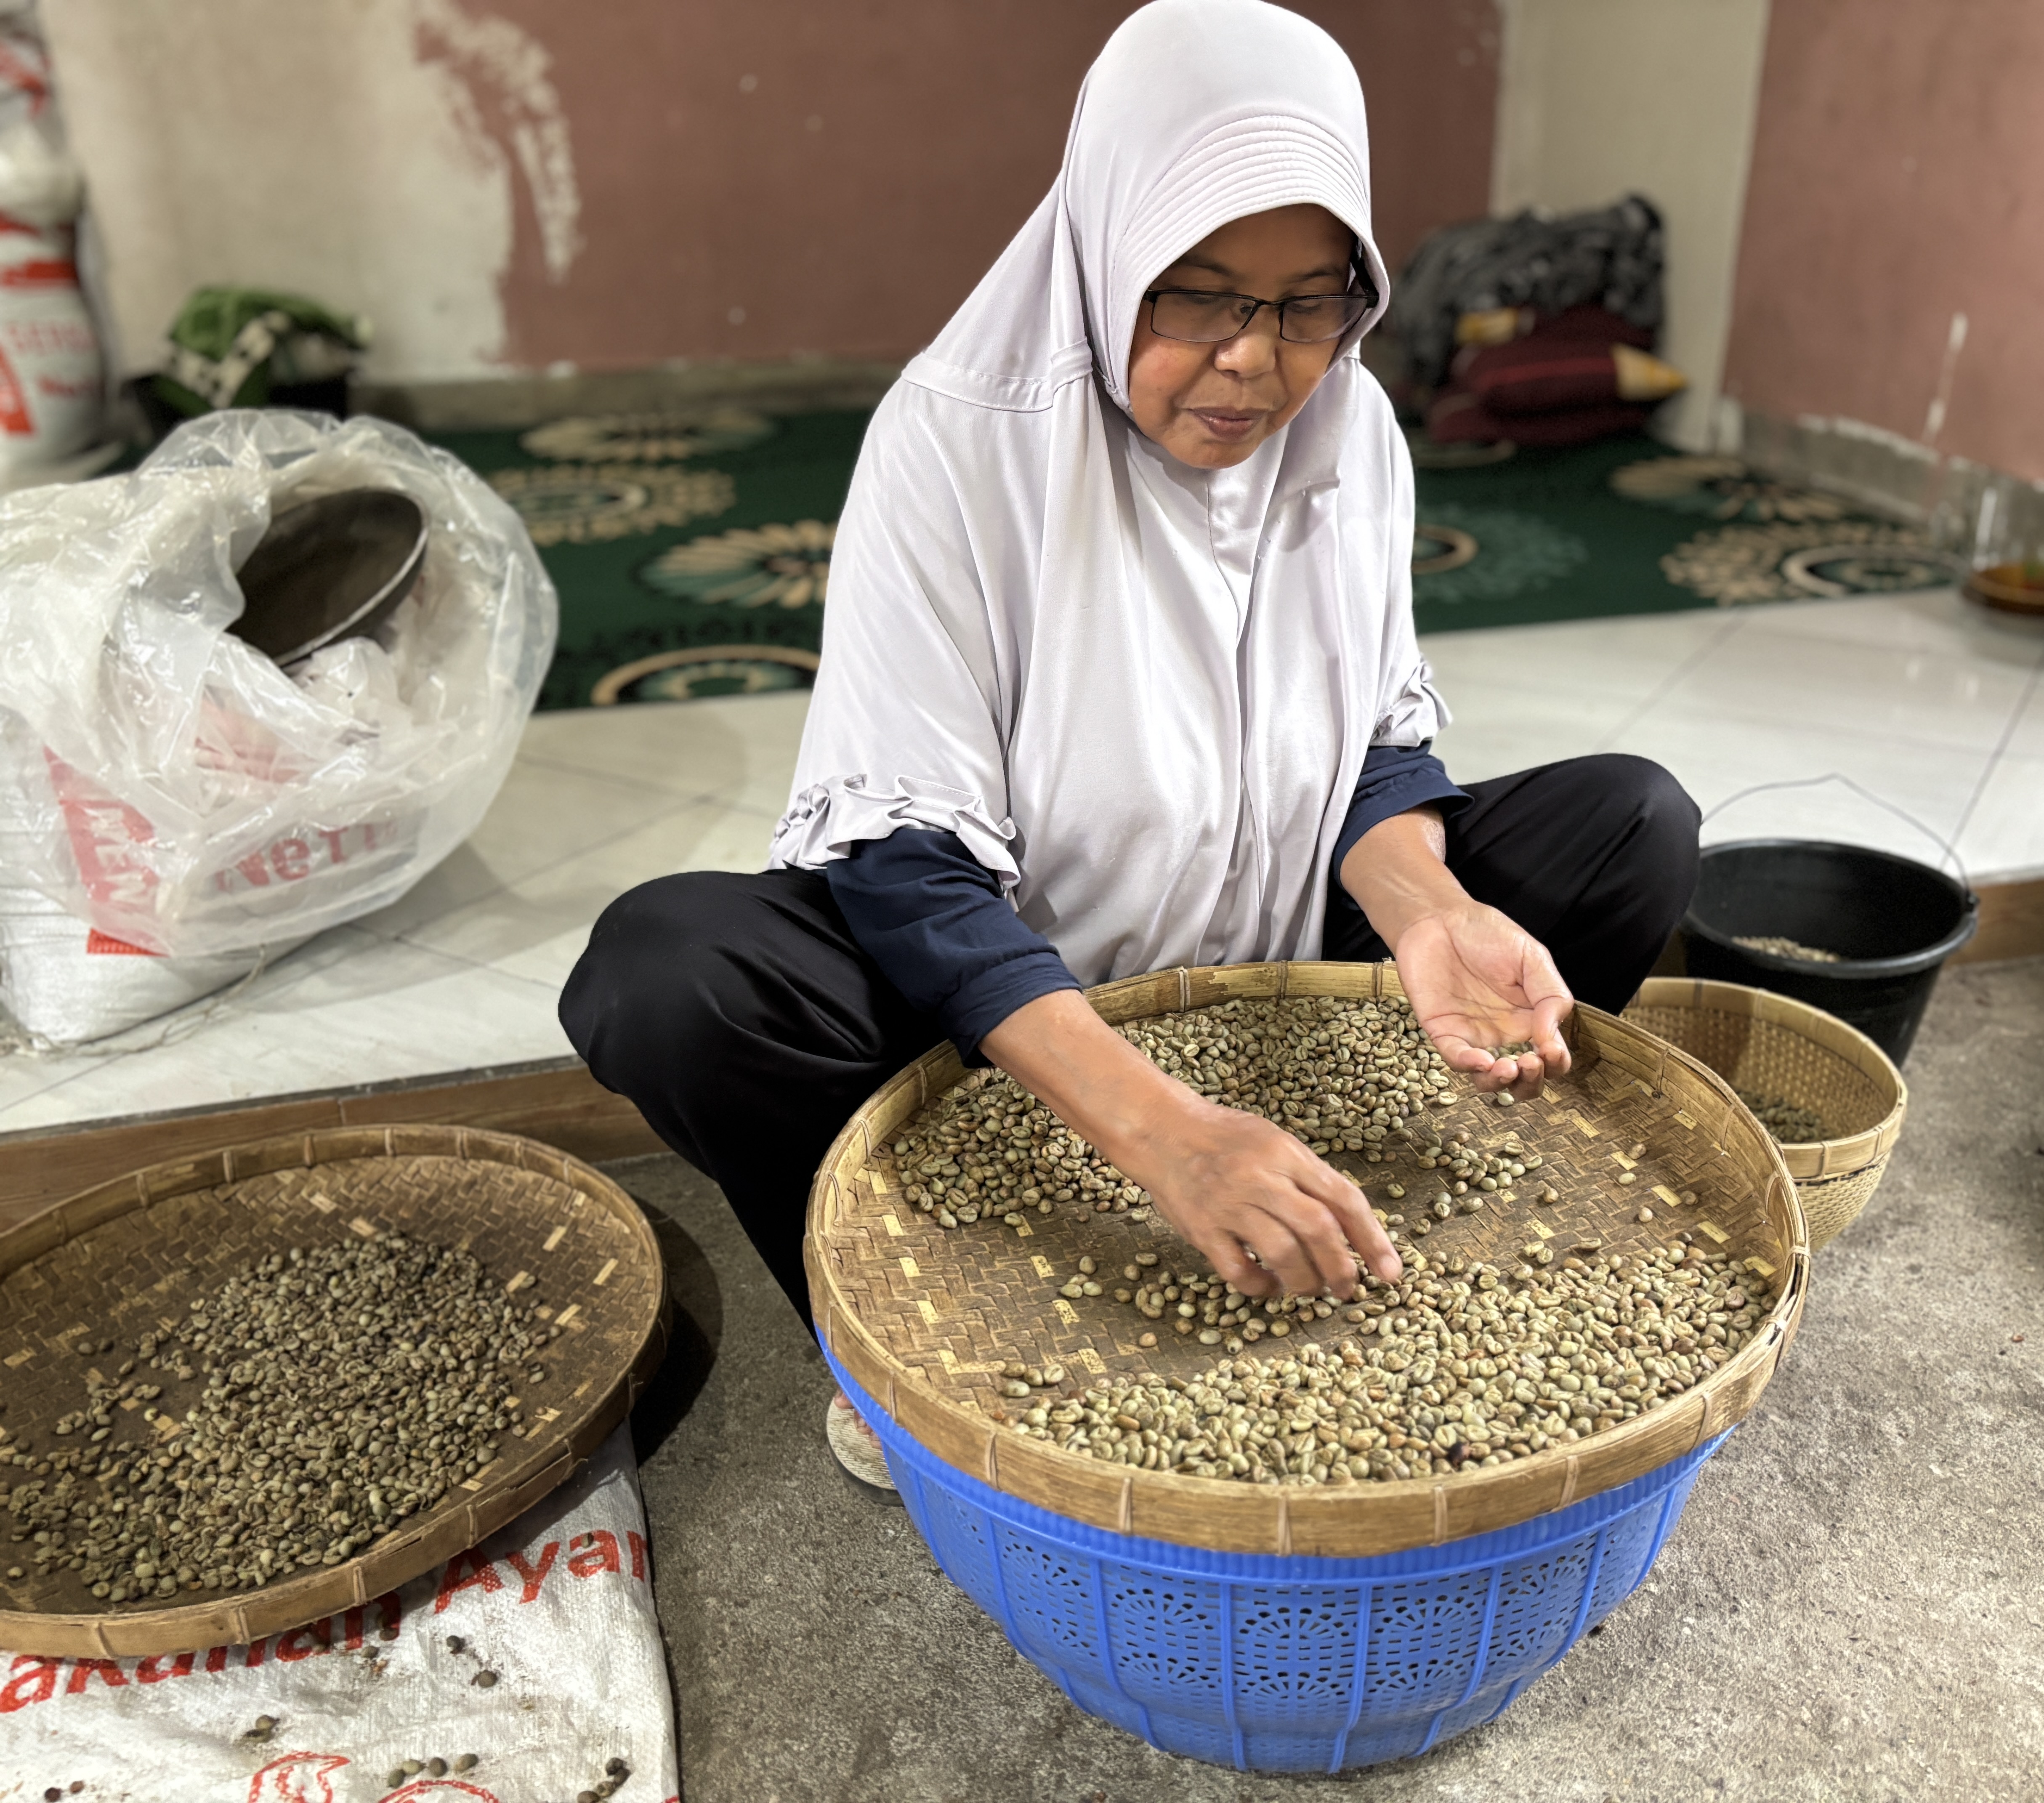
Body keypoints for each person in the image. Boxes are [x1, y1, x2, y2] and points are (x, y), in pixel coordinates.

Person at [560, 0, 1699, 1481]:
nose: (1252, 363)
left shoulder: (1355, 435)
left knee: (1631, 822)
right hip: (994, 1024)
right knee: (672, 973)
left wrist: (1427, 917)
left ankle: (1363, 1179)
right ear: (1106, 250)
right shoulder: (958, 444)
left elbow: (1376, 746)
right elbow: (907, 869)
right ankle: (910, 1341)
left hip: (1279, 969)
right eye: (1199, 295)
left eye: (1307, 303)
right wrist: (1163, 1136)